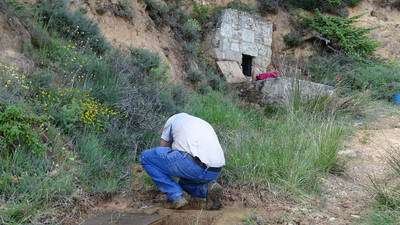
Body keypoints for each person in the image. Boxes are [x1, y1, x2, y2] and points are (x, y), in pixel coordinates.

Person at [140, 113, 225, 210]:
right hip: (215, 170)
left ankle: (175, 195)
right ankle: (207, 190)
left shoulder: (172, 120)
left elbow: (163, 148)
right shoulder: (201, 123)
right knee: (183, 183)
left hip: (193, 165)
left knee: (145, 157)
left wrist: (167, 176)